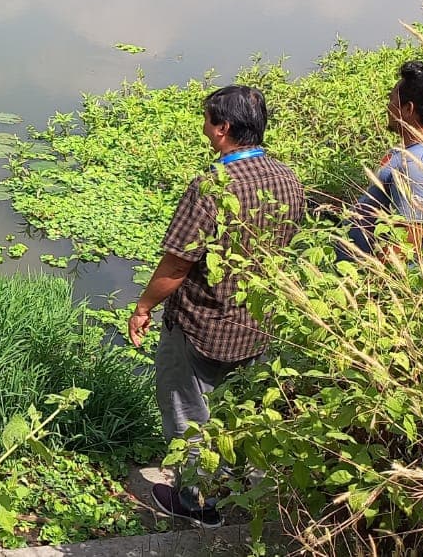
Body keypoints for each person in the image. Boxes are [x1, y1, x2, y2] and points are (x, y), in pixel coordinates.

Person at [127, 85, 306, 528]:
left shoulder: (212, 185)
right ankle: (242, 488)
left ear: (223, 128)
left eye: (208, 120)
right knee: (239, 410)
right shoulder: (288, 178)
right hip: (259, 321)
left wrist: (144, 305)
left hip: (203, 324)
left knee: (190, 413)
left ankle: (198, 503)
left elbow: (177, 264)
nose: (204, 128)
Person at [339, 60, 423, 260]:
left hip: (369, 285)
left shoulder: (417, 166)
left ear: (408, 109)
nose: (388, 107)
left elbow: (405, 246)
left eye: (392, 99)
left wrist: (371, 287)